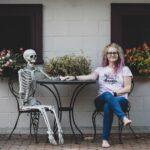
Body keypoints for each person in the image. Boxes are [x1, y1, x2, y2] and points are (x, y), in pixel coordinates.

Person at [60, 43, 132, 148]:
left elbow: (127, 88)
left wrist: (114, 93)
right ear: (106, 55)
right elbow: (89, 77)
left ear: (118, 55)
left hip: (120, 100)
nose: (112, 55)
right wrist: (74, 77)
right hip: (101, 100)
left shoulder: (125, 69)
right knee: (107, 95)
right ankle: (123, 118)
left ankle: (105, 139)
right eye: (110, 53)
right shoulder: (100, 70)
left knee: (109, 105)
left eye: (115, 53)